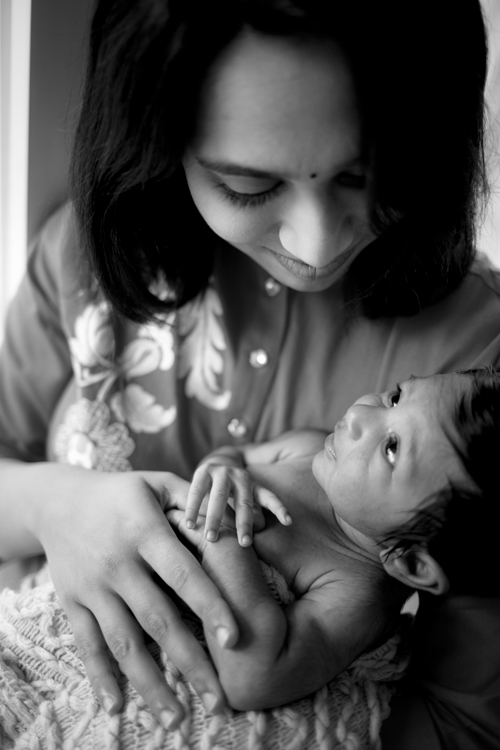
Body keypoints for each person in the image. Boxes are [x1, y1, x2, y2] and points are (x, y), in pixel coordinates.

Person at [0, 0, 499, 738]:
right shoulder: (82, 263)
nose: (316, 242)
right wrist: (57, 506)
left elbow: (463, 723)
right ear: (159, 140)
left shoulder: (475, 379)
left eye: (367, 175)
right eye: (248, 184)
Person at [160, 368, 497, 711]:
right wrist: (220, 469)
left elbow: (251, 679)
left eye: (391, 449)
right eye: (395, 397)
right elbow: (236, 456)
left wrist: (220, 537)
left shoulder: (356, 591)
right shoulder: (310, 448)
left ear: (411, 563)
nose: (358, 415)